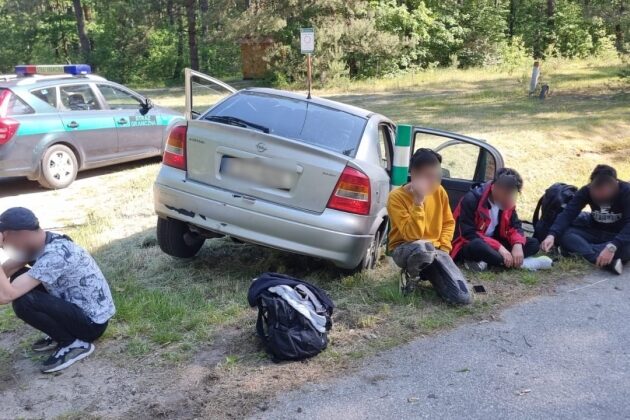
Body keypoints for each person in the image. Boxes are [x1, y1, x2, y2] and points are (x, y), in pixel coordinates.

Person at [0, 207, 115, 373]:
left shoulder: (56, 254)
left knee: (23, 300)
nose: (5, 247)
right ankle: (62, 332)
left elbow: (5, 296)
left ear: (22, 234)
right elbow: (5, 272)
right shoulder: (39, 243)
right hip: (76, 308)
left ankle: (74, 344)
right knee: (19, 275)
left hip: (91, 324)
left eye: (5, 242)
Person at [387, 148, 472, 305]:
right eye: (429, 177)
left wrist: (444, 249)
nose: (435, 182)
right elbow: (411, 235)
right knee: (424, 248)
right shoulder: (396, 197)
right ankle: (410, 276)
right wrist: (418, 202)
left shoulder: (439, 191)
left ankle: (428, 273)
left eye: (437, 176)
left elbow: (448, 222)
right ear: (414, 175)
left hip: (435, 251)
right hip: (405, 249)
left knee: (462, 297)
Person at [450, 168, 551, 271]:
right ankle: (524, 264)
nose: (509, 198)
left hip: (493, 241)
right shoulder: (472, 199)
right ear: (494, 188)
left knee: (533, 243)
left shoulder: (508, 203)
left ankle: (489, 262)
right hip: (468, 243)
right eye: (505, 194)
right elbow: (468, 234)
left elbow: (515, 226)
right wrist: (500, 248)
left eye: (512, 194)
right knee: (477, 246)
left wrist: (517, 244)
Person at [541, 165, 630, 274]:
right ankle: (604, 260)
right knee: (565, 235)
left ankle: (576, 251)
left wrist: (612, 247)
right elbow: (568, 214)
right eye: (597, 190)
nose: (600, 194)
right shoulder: (586, 191)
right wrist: (552, 235)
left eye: (605, 190)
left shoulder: (626, 191)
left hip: (618, 237)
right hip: (594, 232)